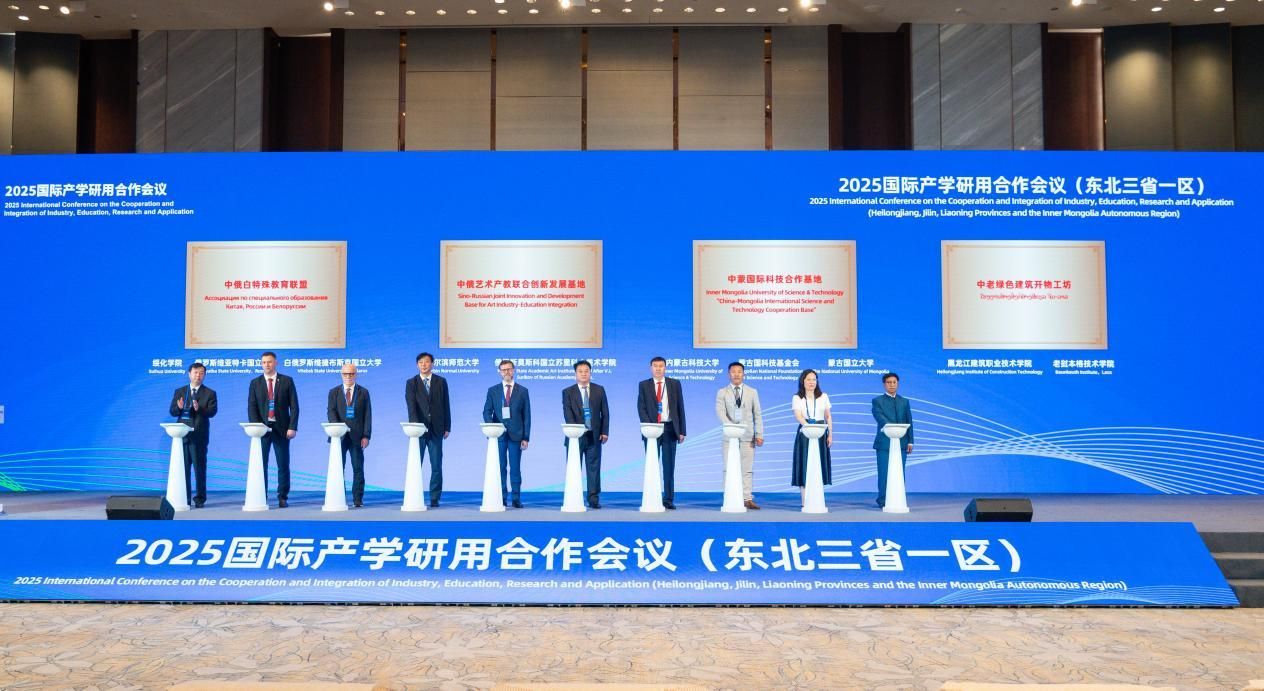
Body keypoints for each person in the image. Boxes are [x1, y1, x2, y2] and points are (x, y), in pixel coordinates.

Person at [247, 351, 299, 508]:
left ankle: (282, 496)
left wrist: (292, 427)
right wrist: (256, 427)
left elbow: (294, 406)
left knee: (283, 464)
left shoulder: (287, 381)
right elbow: (252, 407)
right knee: (260, 464)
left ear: (276, 363)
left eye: (269, 362)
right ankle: (261, 495)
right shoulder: (255, 383)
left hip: (282, 429)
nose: (266, 365)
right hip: (262, 430)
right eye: (264, 362)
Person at [637, 356, 687, 509]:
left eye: (661, 366)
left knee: (668, 466)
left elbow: (680, 407)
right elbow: (641, 407)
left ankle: (668, 499)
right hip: (651, 430)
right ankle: (652, 497)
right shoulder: (644, 385)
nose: (658, 368)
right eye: (655, 366)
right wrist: (650, 426)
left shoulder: (674, 384)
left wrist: (682, 430)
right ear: (651, 368)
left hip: (670, 428)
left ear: (665, 368)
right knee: (652, 464)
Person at [168, 361, 218, 508]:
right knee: (183, 469)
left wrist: (199, 408)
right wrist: (178, 408)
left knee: (199, 469)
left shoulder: (210, 393)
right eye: (195, 373)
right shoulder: (180, 391)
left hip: (199, 436)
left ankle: (200, 498)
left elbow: (212, 412)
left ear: (204, 375)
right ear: (189, 374)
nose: (198, 376)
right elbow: (172, 412)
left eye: (201, 373)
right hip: (182, 436)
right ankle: (185, 498)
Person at [714, 361, 763, 509]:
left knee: (747, 469)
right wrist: (731, 426)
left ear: (743, 374)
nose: (736, 374)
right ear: (729, 374)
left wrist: (759, 434)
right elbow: (720, 412)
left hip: (748, 436)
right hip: (729, 437)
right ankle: (729, 496)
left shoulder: (752, 392)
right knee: (728, 468)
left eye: (739, 371)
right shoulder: (722, 392)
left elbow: (757, 414)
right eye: (733, 372)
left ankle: (747, 498)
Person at [562, 360, 610, 509]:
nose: (583, 374)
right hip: (575, 437)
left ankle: (593, 498)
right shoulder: (567, 392)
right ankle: (573, 497)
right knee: (574, 468)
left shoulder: (599, 390)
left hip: (594, 436)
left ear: (590, 373)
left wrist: (604, 431)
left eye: (586, 371)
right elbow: (568, 414)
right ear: (575, 374)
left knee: (594, 469)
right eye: (580, 371)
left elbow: (605, 412)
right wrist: (576, 430)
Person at [405, 352, 451, 507]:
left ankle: (434, 497)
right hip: (418, 431)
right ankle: (414, 495)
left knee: (436, 465)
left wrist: (447, 426)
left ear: (432, 364)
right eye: (420, 362)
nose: (423, 365)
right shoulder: (411, 383)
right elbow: (411, 406)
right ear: (417, 365)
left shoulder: (441, 381)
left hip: (437, 429)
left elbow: (446, 405)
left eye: (426, 362)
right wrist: (415, 427)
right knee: (415, 465)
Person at [483, 359, 530, 508]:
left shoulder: (523, 391)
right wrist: (492, 428)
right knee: (500, 468)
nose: (507, 372)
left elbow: (527, 416)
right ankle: (501, 497)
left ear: (513, 370)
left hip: (517, 435)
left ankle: (516, 498)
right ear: (500, 372)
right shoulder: (493, 390)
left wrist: (526, 437)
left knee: (515, 468)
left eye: (509, 369)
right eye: (503, 370)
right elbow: (486, 411)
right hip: (499, 435)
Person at [327, 363, 372, 507]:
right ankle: (338, 497)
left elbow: (368, 415)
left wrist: (366, 435)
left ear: (356, 375)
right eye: (345, 374)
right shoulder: (333, 392)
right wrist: (338, 428)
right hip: (338, 436)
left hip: (357, 437)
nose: (348, 376)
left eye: (351, 373)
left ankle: (358, 499)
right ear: (341, 375)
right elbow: (331, 412)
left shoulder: (363, 392)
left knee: (358, 468)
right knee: (337, 468)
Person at [790, 368, 832, 507]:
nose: (811, 382)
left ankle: (818, 498)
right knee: (804, 464)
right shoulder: (797, 397)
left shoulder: (823, 396)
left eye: (814, 379)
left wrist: (830, 434)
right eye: (808, 379)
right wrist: (809, 427)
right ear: (803, 381)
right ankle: (805, 500)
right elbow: (798, 416)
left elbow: (828, 416)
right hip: (805, 432)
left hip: (821, 431)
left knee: (819, 463)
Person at [871, 372, 914, 508]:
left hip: (902, 443)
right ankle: (883, 500)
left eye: (894, 382)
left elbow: (909, 421)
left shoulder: (904, 401)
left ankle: (898, 499)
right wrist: (892, 428)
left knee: (899, 472)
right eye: (889, 382)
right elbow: (879, 417)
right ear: (884, 384)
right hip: (884, 443)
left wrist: (910, 441)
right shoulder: (877, 401)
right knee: (884, 473)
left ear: (898, 384)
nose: (892, 385)